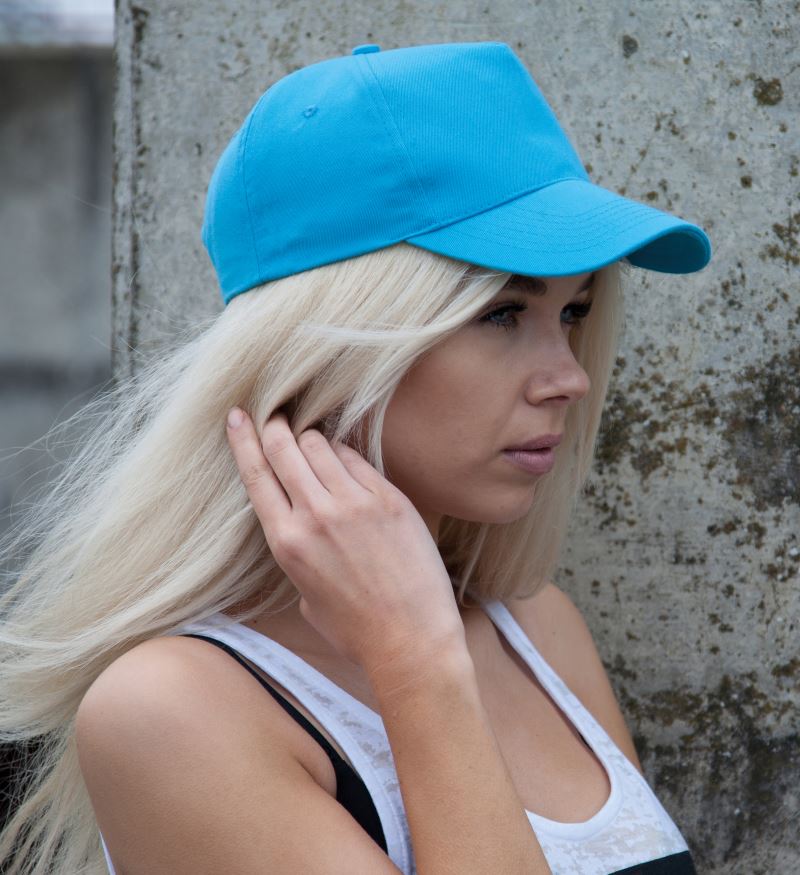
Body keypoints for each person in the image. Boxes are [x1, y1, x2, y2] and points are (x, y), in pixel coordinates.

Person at [0, 41, 711, 875]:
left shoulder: (537, 628)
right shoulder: (170, 707)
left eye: (573, 312)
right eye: (501, 313)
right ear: (329, 345)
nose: (570, 378)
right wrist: (416, 661)